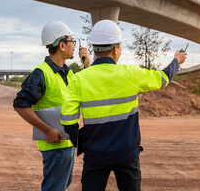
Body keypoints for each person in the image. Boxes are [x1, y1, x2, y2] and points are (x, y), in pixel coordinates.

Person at [61, 19, 187, 191]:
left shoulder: (79, 79)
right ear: (115, 49)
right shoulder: (130, 74)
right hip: (127, 153)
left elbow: (68, 119)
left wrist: (82, 141)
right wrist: (176, 61)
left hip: (95, 154)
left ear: (94, 49)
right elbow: (163, 78)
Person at [13, 20, 91, 191]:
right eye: (72, 42)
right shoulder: (41, 73)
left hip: (68, 143)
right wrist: (47, 130)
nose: (74, 47)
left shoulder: (68, 73)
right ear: (62, 45)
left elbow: (89, 89)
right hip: (54, 145)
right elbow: (20, 104)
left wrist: (87, 65)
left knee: (61, 186)